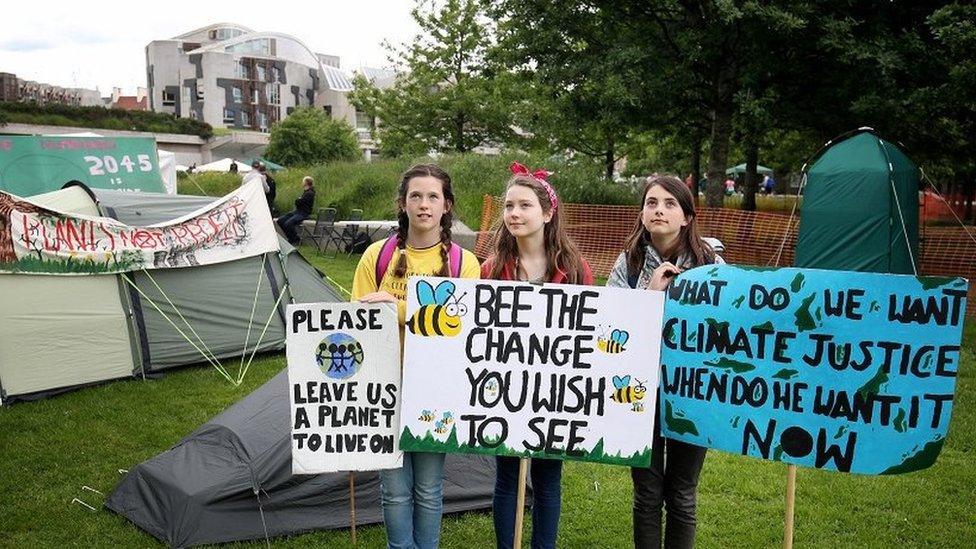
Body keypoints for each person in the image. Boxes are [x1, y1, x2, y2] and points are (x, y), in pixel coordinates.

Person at [351, 163, 480, 549]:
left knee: (428, 488)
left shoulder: (464, 264)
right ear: (403, 204)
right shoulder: (376, 256)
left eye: (433, 197)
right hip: (383, 389)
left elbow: (462, 325)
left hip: (436, 391)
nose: (424, 204)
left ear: (447, 206)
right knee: (393, 489)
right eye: (416, 196)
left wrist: (397, 308)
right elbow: (355, 320)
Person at [606, 174, 723, 549]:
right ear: (641, 212)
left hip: (693, 390)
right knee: (647, 493)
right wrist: (650, 294)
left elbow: (728, 328)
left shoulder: (711, 263)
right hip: (639, 390)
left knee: (683, 493)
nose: (659, 210)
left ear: (687, 216)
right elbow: (610, 331)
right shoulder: (628, 262)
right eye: (652, 203)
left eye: (670, 204)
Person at [482, 162, 593, 549]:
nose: (514, 213)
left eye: (524, 205)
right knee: (507, 478)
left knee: (548, 479)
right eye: (509, 205)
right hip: (504, 390)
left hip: (555, 393)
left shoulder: (575, 270)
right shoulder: (492, 269)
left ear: (547, 213)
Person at [276, 176, 315, 246]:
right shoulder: (305, 192)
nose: (302, 182)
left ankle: (295, 239)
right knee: (280, 220)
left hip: (303, 213)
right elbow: (299, 202)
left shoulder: (310, 193)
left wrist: (298, 200)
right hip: (297, 211)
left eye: (303, 181)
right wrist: (299, 200)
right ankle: (291, 238)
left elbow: (299, 202)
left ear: (306, 183)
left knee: (288, 224)